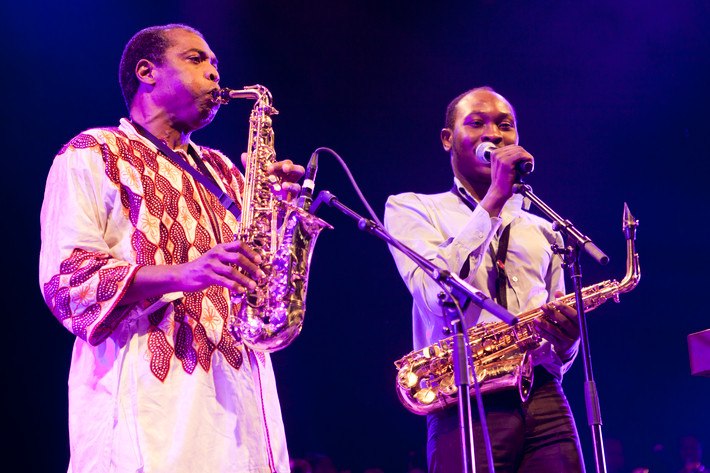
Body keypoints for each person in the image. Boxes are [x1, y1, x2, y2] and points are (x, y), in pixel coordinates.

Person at [39, 24, 304, 473]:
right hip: (148, 409)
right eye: (197, 59)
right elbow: (67, 282)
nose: (215, 74)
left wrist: (280, 216)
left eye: (217, 64)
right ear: (148, 72)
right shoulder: (92, 151)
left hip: (239, 408)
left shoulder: (225, 171)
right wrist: (185, 274)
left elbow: (259, 288)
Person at [384, 86, 585, 472]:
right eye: (476, 123)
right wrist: (493, 199)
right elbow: (436, 296)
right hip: (463, 393)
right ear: (448, 139)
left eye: (505, 126)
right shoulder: (413, 208)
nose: (493, 134)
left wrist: (567, 341)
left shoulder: (545, 229)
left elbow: (560, 344)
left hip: (544, 393)